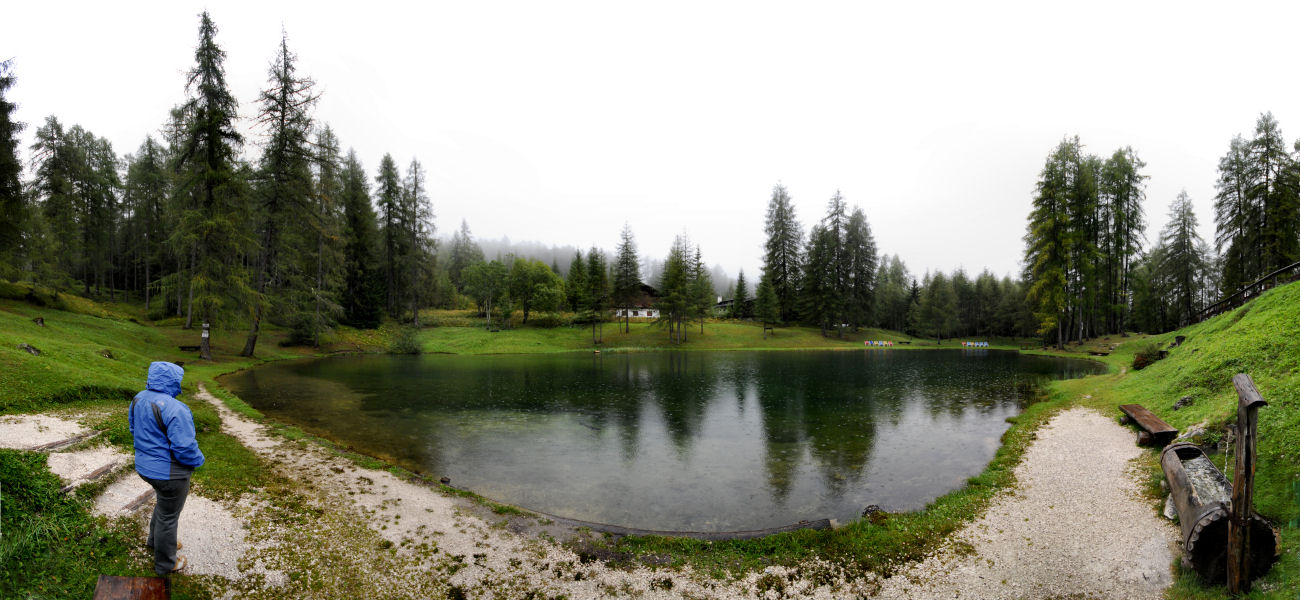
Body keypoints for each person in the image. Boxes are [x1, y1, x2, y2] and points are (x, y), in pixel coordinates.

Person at [129, 361, 205, 575]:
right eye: (178, 379)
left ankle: (155, 541)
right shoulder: (176, 408)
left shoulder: (138, 398)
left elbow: (133, 428)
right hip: (170, 474)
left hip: (144, 467)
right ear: (172, 381)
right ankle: (166, 563)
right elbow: (185, 448)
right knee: (169, 516)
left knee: (163, 508)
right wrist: (199, 461)